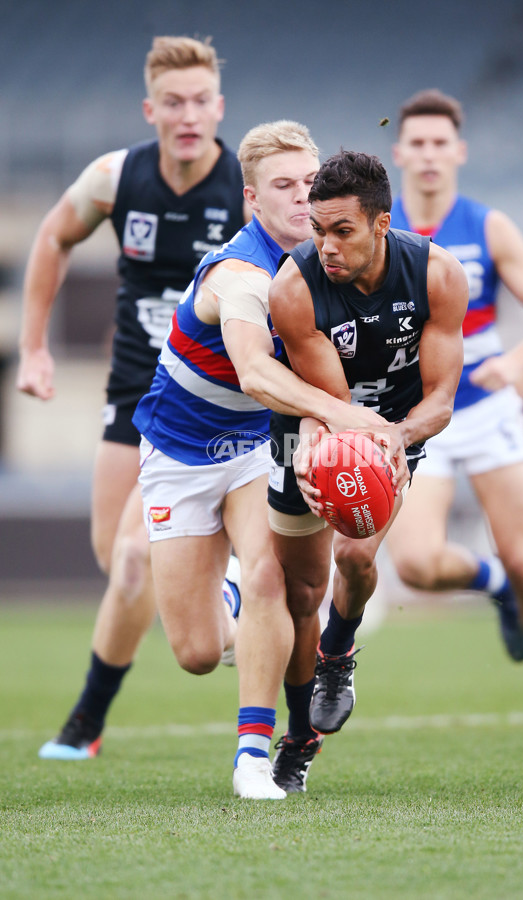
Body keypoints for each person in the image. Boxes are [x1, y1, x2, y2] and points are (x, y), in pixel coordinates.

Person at [132, 122, 391, 799]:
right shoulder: (237, 274)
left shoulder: (325, 264)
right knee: (194, 653)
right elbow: (252, 370)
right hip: (179, 449)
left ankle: (255, 758)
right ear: (253, 197)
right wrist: (343, 416)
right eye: (284, 185)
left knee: (275, 579)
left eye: (311, 182)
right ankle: (231, 597)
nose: (303, 197)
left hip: (255, 447)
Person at [17, 36, 249, 760]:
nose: (187, 115)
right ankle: (225, 596)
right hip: (134, 395)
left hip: (211, 404)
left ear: (220, 106)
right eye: (172, 103)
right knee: (117, 563)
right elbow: (54, 237)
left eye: (200, 101)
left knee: (132, 560)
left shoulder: (245, 187)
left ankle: (85, 723)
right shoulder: (116, 178)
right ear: (151, 109)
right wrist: (32, 346)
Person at [385, 88, 523, 734]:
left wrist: (518, 362)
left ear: (460, 152)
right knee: (416, 564)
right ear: (399, 153)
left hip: (488, 411)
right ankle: (492, 582)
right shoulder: (380, 228)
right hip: (423, 415)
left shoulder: (486, 225)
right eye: (416, 143)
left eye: (439, 143)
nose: (428, 155)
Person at [265, 149, 469, 790]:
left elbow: (440, 397)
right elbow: (329, 409)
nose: (324, 244)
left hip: (396, 429)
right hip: (317, 428)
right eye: (318, 229)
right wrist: (360, 439)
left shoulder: (437, 274)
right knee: (299, 595)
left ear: (382, 224)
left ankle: (339, 651)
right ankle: (296, 733)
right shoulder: (292, 289)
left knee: (353, 558)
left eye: (342, 231)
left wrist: (401, 439)